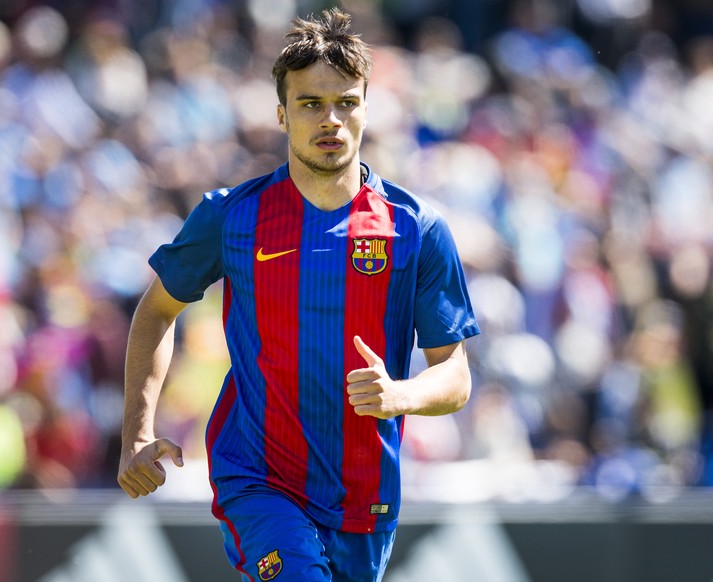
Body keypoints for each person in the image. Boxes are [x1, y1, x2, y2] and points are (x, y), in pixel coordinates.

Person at [117, 8, 480, 582]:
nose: (330, 118)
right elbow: (157, 310)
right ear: (283, 115)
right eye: (311, 103)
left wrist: (399, 395)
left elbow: (455, 375)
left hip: (366, 497)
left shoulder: (417, 228)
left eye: (346, 102)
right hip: (259, 481)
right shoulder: (232, 217)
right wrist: (138, 430)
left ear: (366, 110)